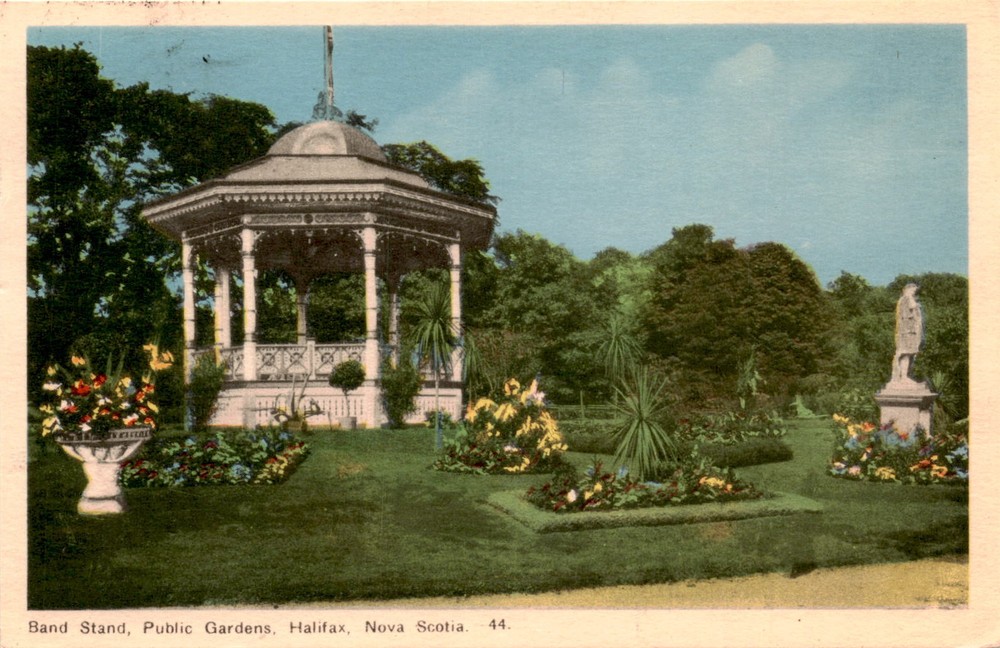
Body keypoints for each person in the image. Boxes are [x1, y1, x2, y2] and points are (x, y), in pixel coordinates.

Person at [892, 283, 923, 382]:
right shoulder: (905, 299)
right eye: (913, 291)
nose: (914, 293)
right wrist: (915, 303)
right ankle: (903, 377)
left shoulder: (906, 299)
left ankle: (905, 375)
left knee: (909, 354)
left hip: (910, 331)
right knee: (905, 353)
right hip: (906, 332)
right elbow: (910, 310)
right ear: (907, 290)